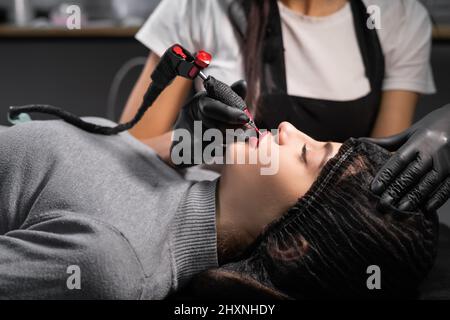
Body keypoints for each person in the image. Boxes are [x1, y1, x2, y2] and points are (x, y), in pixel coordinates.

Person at [0, 116, 438, 299]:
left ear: (293, 247)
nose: (287, 128)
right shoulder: (196, 178)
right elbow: (89, 161)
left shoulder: (109, 259)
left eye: (305, 155)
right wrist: (179, 142)